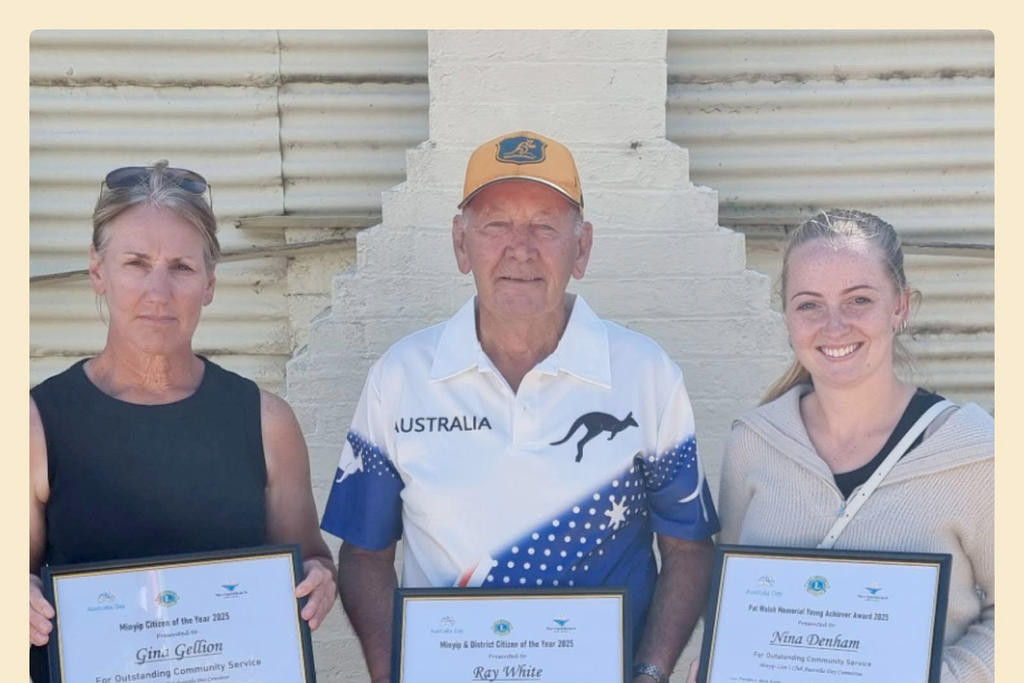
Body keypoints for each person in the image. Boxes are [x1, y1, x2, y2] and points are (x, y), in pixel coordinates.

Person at [321, 131, 719, 683]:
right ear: (461, 245)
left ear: (582, 249)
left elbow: (689, 550)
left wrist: (650, 674)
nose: (521, 248)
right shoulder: (400, 376)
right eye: (495, 225)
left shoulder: (645, 373)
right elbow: (364, 555)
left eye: (545, 226)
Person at [29, 162, 337, 682]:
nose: (158, 290)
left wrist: (319, 580)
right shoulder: (34, 426)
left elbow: (311, 558)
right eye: (135, 263)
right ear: (97, 271)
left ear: (210, 283)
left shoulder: (265, 422)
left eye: (181, 267)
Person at [715, 209, 993, 682]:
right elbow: (732, 598)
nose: (835, 325)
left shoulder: (975, 453)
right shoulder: (754, 443)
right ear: (787, 317)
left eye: (859, 300)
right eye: (809, 305)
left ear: (901, 307)